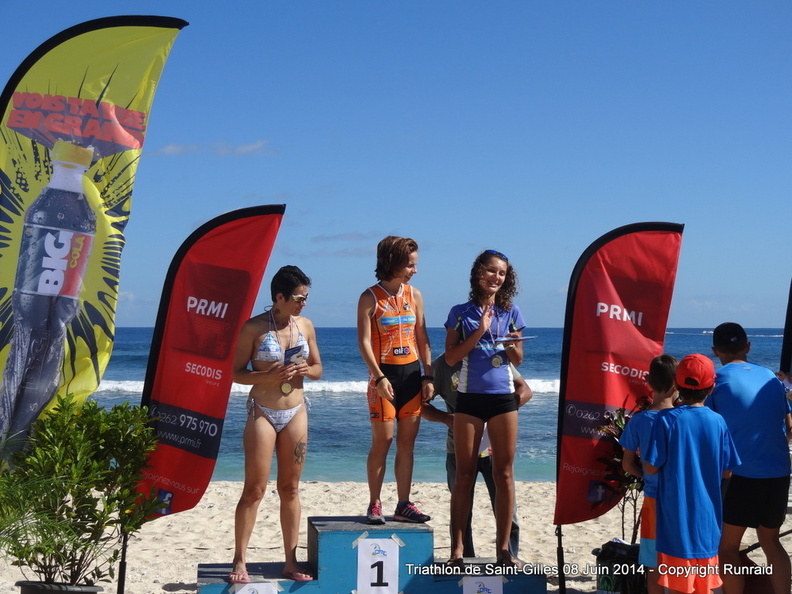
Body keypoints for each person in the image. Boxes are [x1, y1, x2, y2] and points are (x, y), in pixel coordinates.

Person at [230, 266, 322, 583]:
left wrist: (305, 370)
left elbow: (318, 368)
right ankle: (240, 560)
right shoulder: (253, 328)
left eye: (305, 298)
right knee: (254, 489)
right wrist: (268, 376)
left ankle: (290, 562)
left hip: (296, 410)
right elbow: (237, 373)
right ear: (279, 297)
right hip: (263, 412)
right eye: (298, 298)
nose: (303, 303)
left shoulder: (305, 325)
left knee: (290, 489)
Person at [444, 249, 525, 567]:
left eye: (502, 273)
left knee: (504, 473)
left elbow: (518, 359)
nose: (496, 277)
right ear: (479, 272)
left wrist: (509, 343)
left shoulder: (512, 312)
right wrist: (479, 330)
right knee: (464, 475)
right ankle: (457, 549)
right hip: (469, 399)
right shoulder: (460, 312)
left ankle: (504, 550)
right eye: (492, 270)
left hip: (503, 398)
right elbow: (451, 357)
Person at [706, 322, 792, 594]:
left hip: (741, 473)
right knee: (771, 542)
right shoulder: (770, 377)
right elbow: (789, 427)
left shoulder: (716, 381)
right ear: (748, 346)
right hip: (779, 470)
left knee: (728, 547)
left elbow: (705, 428)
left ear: (715, 351)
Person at [644, 354, 740, 594]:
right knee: (703, 587)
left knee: (679, 587)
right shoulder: (718, 421)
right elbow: (728, 471)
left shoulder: (666, 420)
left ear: (676, 385)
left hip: (676, 523)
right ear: (712, 387)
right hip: (707, 523)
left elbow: (651, 467)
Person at [422, 354, 532, 558]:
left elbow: (525, 390)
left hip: (493, 446)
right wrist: (445, 418)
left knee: (508, 511)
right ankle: (464, 558)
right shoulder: (441, 366)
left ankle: (509, 555)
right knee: (462, 511)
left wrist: (502, 411)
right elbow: (419, 405)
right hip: (459, 447)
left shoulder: (490, 354)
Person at [357, 236, 433, 524]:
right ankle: (375, 503)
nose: (415, 270)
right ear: (394, 262)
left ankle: (403, 504)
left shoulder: (415, 295)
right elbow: (364, 342)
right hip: (384, 378)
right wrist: (378, 377)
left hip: (412, 375)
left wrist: (428, 375)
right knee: (383, 441)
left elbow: (422, 337)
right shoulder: (370, 297)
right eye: (410, 265)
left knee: (407, 443)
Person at [621, 354, 678, 594]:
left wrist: (646, 477)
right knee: (679, 564)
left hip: (653, 499)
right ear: (677, 384)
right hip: (679, 499)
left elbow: (627, 465)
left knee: (654, 565)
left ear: (648, 381)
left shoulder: (639, 421)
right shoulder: (682, 419)